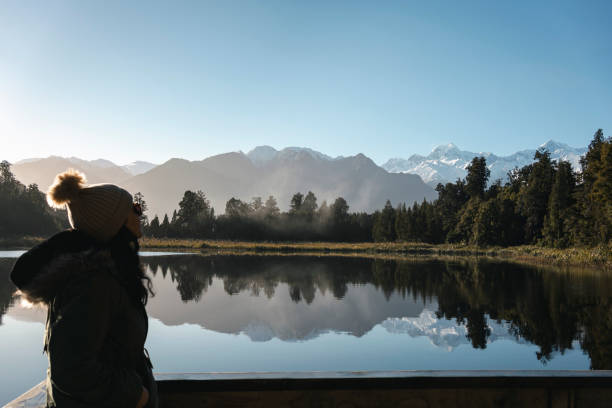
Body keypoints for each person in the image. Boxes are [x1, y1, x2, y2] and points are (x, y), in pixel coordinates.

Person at [10, 169, 158, 408]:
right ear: (114, 222)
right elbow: (71, 368)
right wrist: (134, 394)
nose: (140, 213)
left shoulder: (105, 274)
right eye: (135, 208)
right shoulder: (94, 283)